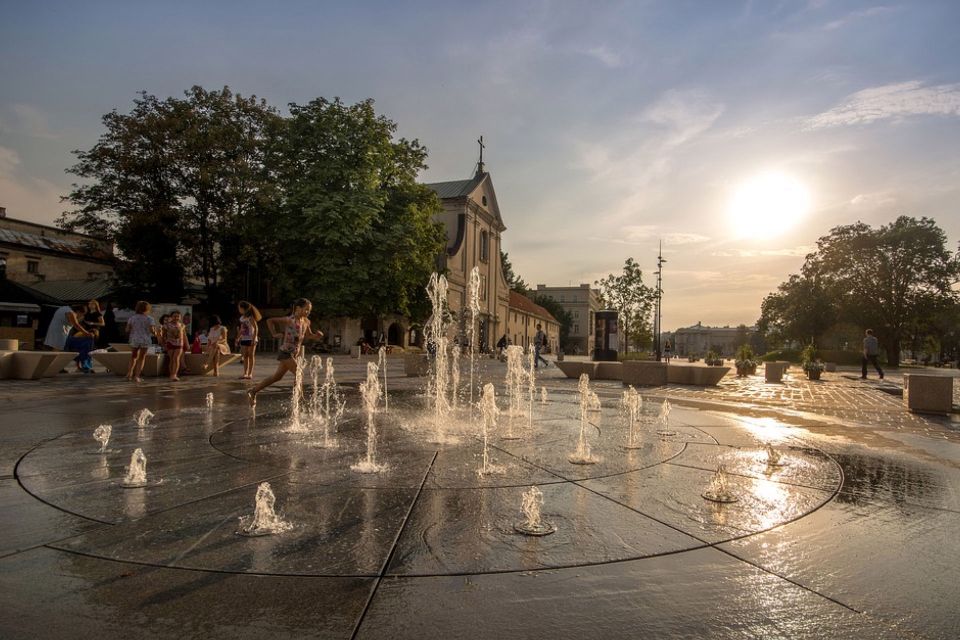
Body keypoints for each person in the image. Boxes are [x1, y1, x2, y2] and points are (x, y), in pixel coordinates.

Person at [247, 298, 323, 407]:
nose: (308, 312)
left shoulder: (306, 322)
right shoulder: (289, 320)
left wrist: (317, 336)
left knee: (277, 377)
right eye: (306, 310)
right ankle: (298, 400)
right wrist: (274, 334)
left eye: (309, 310)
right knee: (299, 373)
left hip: (294, 354)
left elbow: (309, 335)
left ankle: (253, 391)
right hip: (285, 353)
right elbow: (270, 321)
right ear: (297, 308)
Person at [125, 301, 156, 382]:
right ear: (147, 309)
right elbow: (152, 330)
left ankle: (129, 374)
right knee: (142, 358)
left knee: (133, 357)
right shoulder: (150, 318)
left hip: (134, 339)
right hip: (145, 339)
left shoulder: (132, 318)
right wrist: (156, 333)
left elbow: (127, 329)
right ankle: (137, 376)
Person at [64, 304, 96, 373]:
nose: (82, 316)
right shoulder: (72, 315)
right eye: (82, 314)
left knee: (86, 345)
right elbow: (76, 325)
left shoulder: (75, 318)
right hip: (68, 340)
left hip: (70, 339)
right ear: (78, 311)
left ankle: (83, 366)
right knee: (87, 343)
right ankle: (85, 366)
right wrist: (87, 334)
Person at [236, 301, 261, 380]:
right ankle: (245, 373)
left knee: (251, 355)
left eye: (240, 308)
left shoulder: (250, 317)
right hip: (244, 338)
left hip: (251, 338)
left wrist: (253, 339)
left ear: (244, 308)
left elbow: (256, 328)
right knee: (245, 355)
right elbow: (241, 329)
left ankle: (250, 374)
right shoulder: (242, 318)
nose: (239, 309)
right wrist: (238, 337)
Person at [161, 310, 187, 381]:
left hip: (179, 344)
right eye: (174, 316)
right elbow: (163, 336)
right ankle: (171, 374)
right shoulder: (166, 325)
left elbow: (184, 335)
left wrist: (186, 344)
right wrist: (164, 344)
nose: (176, 318)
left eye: (178, 316)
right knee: (172, 359)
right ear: (171, 317)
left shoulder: (182, 325)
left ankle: (174, 374)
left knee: (176, 358)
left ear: (180, 317)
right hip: (170, 343)